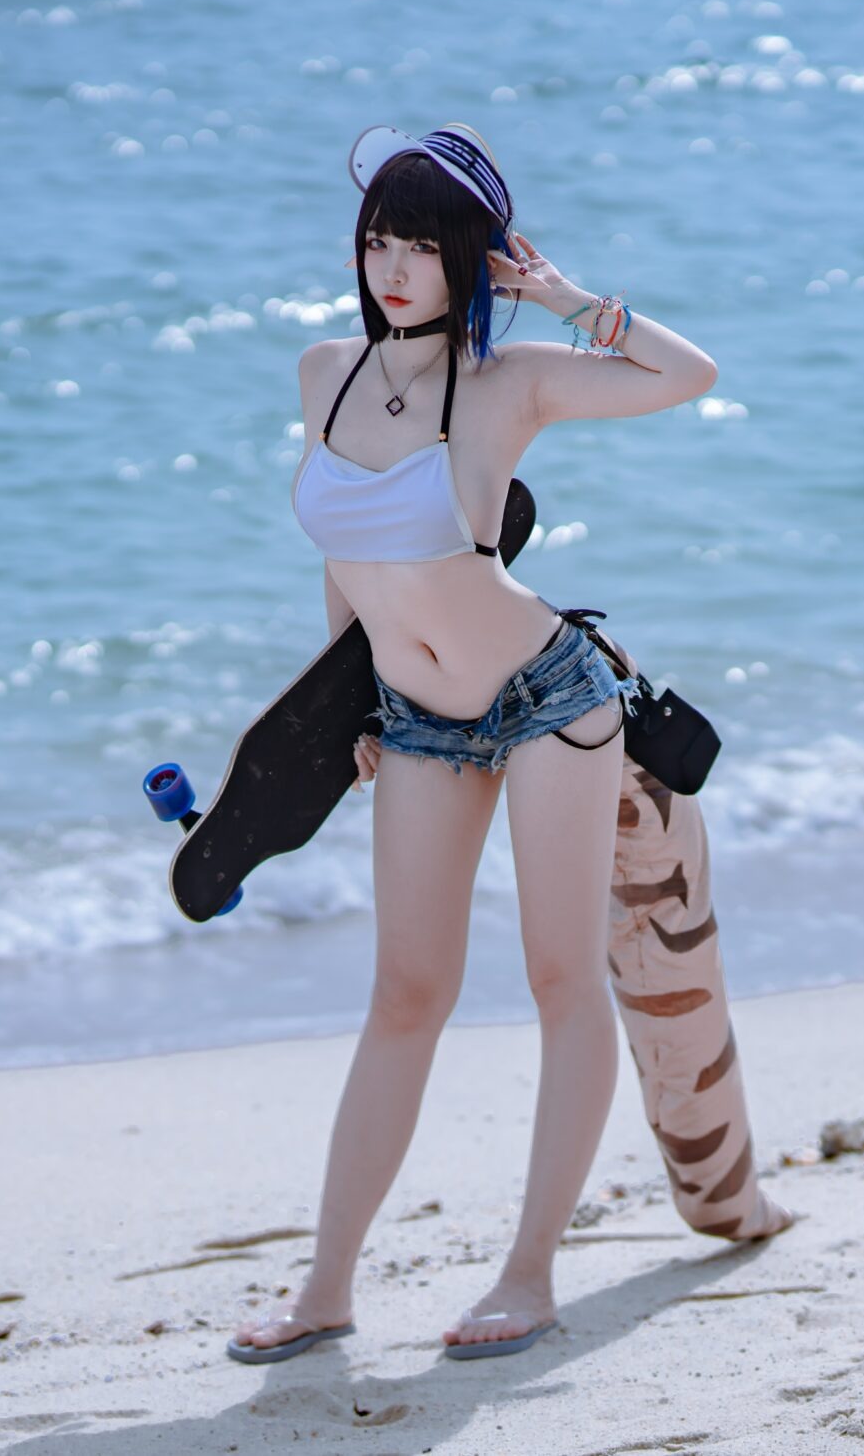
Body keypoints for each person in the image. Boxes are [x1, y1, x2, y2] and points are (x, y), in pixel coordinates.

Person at [225, 124, 720, 1365]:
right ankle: (325, 1288)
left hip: (548, 699)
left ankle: (529, 1273)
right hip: (412, 720)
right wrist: (340, 709)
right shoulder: (324, 372)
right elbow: (345, 562)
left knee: (559, 978)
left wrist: (558, 296)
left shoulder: (513, 380)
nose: (394, 268)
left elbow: (686, 374)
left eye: (423, 245)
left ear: (471, 257)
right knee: (406, 993)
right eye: (377, 242)